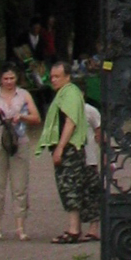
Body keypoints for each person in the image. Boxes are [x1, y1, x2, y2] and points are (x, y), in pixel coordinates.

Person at [40, 59, 97, 244]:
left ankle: (74, 230)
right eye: (52, 77)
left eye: (57, 77)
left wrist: (60, 147)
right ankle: (75, 228)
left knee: (71, 187)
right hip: (68, 147)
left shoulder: (70, 94)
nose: (54, 80)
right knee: (68, 187)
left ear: (67, 77)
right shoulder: (63, 94)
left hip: (71, 148)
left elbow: (70, 122)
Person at [0, 66, 38, 239]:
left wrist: (22, 116)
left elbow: (36, 118)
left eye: (12, 78)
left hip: (19, 141)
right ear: (0, 80)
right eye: (5, 79)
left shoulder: (24, 95)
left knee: (20, 186)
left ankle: (20, 227)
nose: (9, 82)